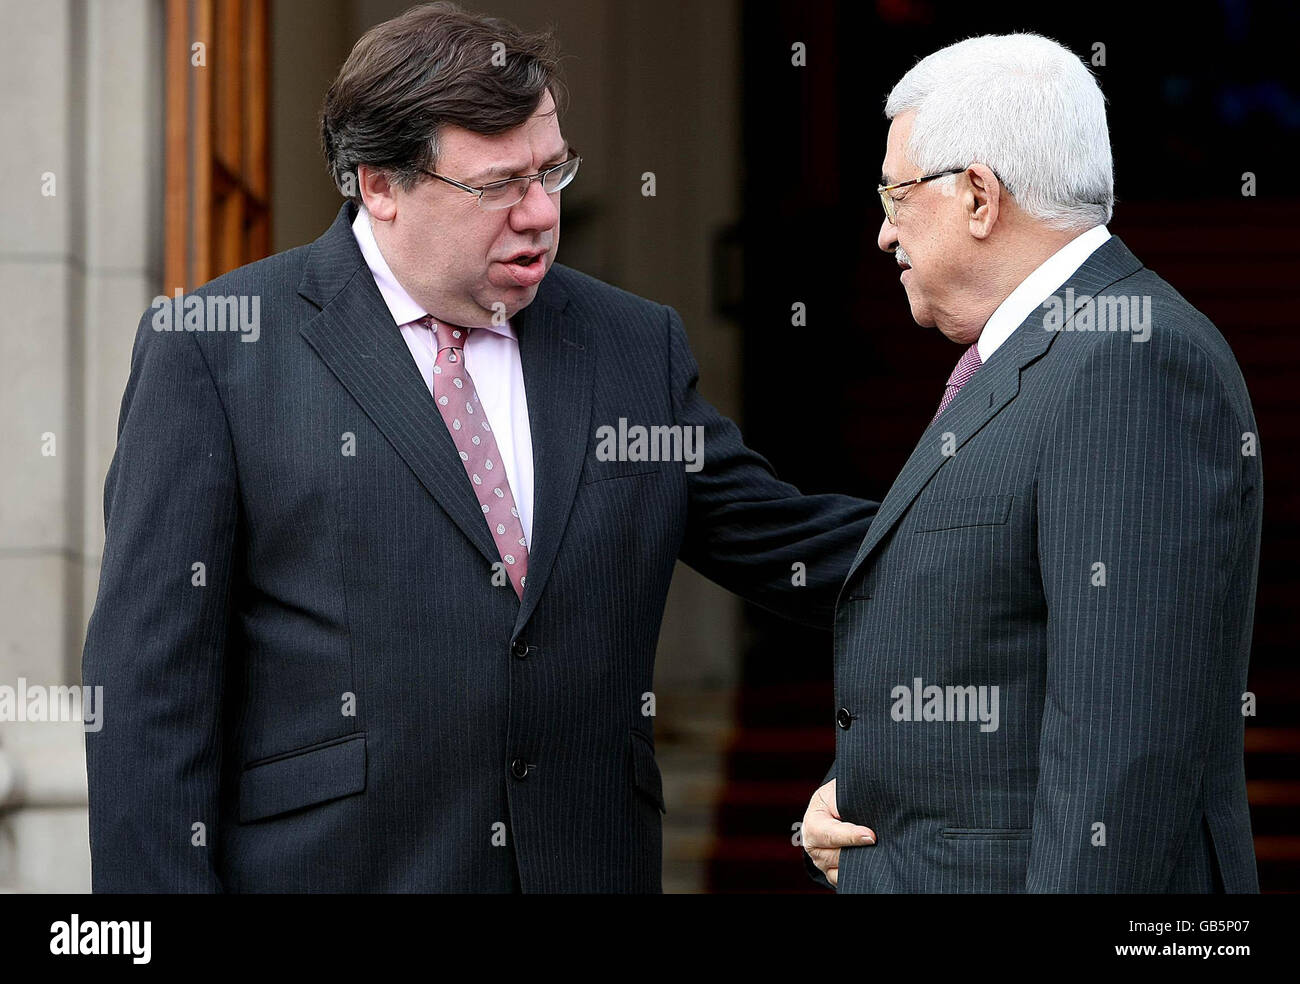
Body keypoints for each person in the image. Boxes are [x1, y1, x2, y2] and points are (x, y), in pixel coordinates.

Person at [82, 2, 875, 892]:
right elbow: (148, 694)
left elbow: (792, 545)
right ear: (379, 184)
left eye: (552, 173)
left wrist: (1006, 531)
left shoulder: (630, 346)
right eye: (498, 184)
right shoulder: (217, 350)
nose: (539, 214)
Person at [801, 33, 1261, 893]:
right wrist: (873, 795)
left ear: (979, 195)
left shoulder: (1130, 358)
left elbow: (1123, 753)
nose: (882, 231)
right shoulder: (1049, 355)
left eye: (895, 193)